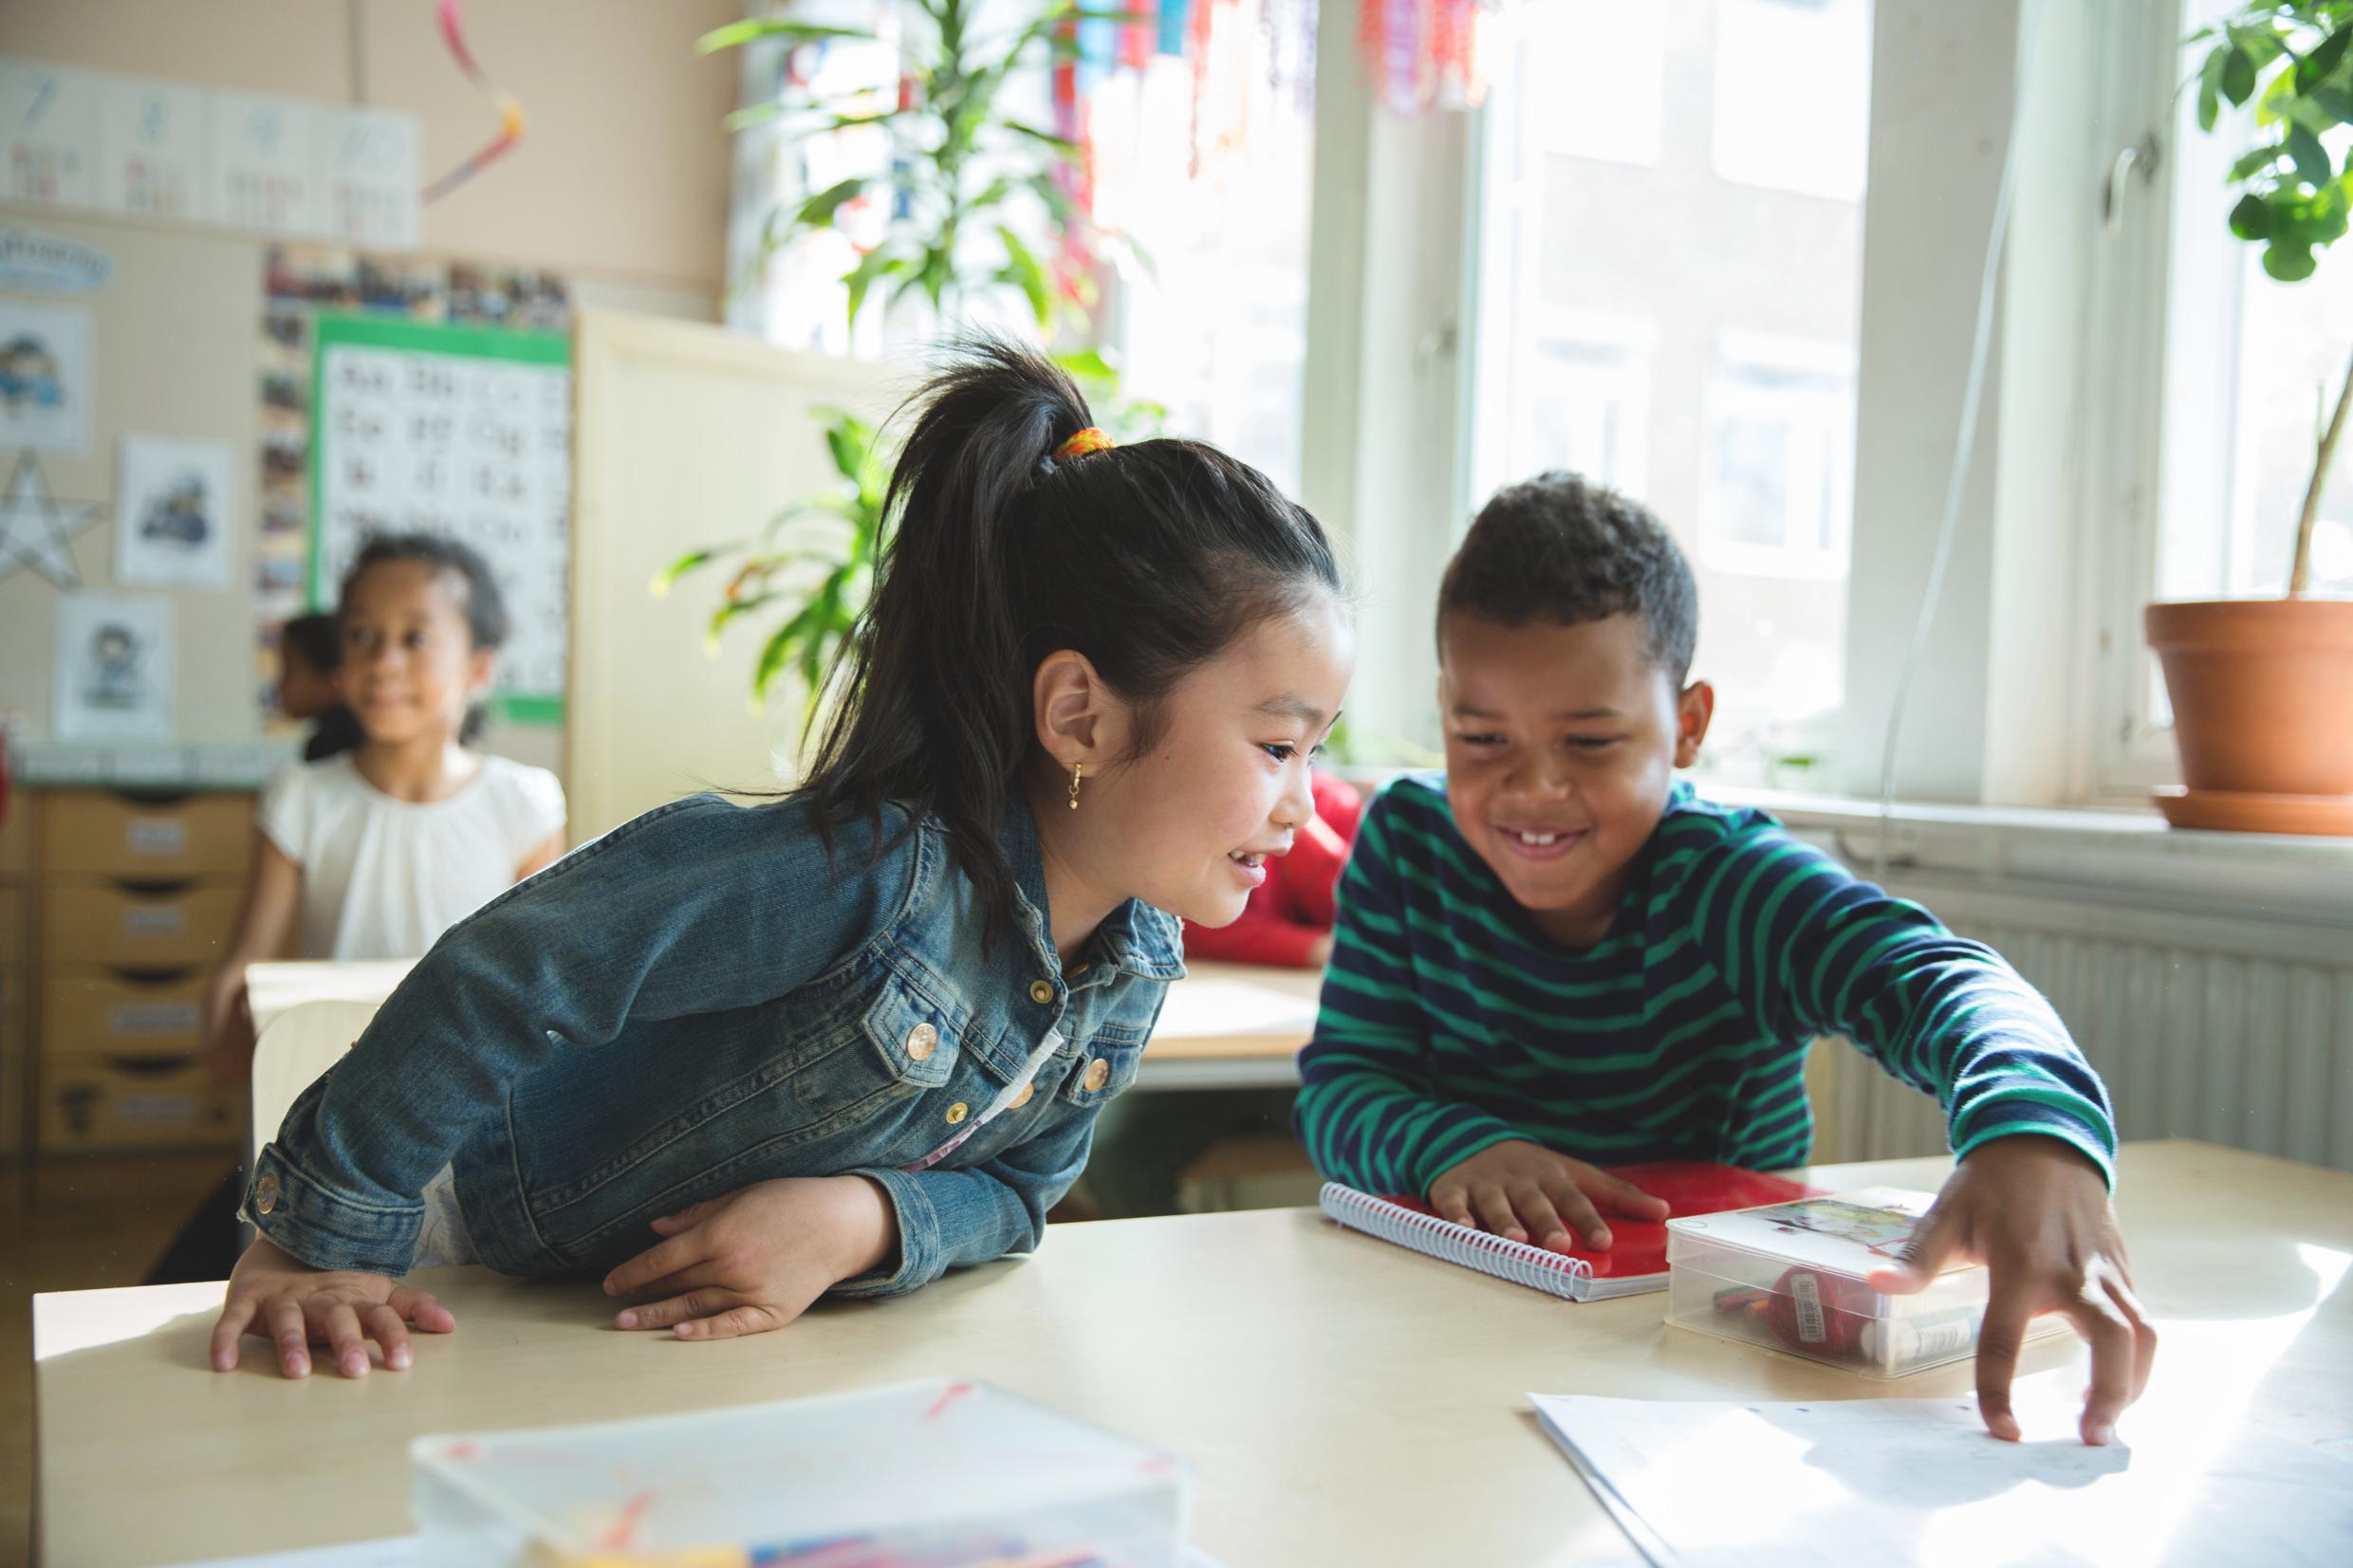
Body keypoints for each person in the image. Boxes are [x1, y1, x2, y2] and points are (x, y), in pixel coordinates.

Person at [209, 340, 1354, 1379]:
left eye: (1314, 753)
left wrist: (862, 1221)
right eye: (1274, 746)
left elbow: (1021, 1192)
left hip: (604, 1333)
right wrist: (321, 1233)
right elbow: (510, 966)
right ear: (1081, 718)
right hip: (440, 1249)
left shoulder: (1131, 966)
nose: (1303, 807)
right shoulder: (862, 874)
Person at [1295, 472, 2156, 1447]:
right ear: (1443, 708)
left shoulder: (1729, 885)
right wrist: (1451, 1145)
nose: (1530, 788)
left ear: (1689, 725)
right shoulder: (1407, 846)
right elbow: (1341, 1085)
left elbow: (1943, 981)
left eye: (1589, 741)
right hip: (1442, 1319)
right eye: (1480, 736)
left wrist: (2033, 1136)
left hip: (1699, 1348)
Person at [147, 535, 565, 1287]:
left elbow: (545, 972)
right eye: (363, 636)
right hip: (327, 1099)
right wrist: (225, 1002)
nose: (384, 660)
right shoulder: (303, 796)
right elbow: (251, 953)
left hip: (465, 1110)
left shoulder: (523, 801)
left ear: (479, 666)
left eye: (414, 636)